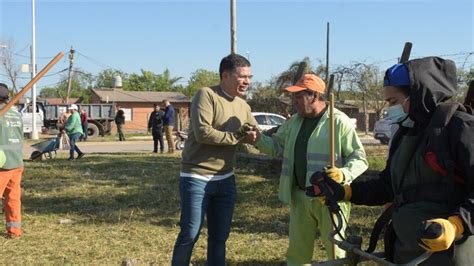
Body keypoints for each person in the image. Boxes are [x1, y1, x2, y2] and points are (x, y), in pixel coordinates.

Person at [313, 57, 473, 265]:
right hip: (406, 251)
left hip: (450, 254)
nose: (389, 109)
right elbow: (389, 186)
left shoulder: (460, 128)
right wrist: (346, 192)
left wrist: (456, 225)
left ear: (418, 95)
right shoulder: (405, 134)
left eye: (394, 101)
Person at [247, 73, 368, 265]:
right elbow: (277, 147)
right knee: (297, 253)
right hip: (300, 197)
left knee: (336, 251)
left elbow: (359, 158)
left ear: (314, 96)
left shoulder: (338, 121)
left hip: (330, 198)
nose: (294, 102)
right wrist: (258, 140)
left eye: (298, 97)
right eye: (293, 97)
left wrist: (344, 174)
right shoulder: (294, 122)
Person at [171, 54, 258, 266]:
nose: (247, 81)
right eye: (242, 76)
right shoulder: (206, 95)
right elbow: (203, 133)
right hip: (196, 177)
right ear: (225, 76)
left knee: (220, 238)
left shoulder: (243, 105)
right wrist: (238, 137)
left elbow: (255, 132)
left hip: (226, 179)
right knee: (190, 234)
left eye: (250, 76)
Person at [0, 83, 24, 238]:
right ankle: (14, 231)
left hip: (2, 164)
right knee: (13, 198)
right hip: (16, 161)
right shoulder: (15, 114)